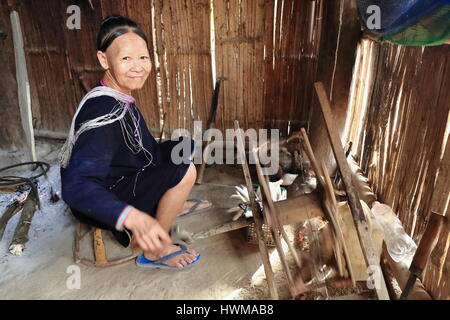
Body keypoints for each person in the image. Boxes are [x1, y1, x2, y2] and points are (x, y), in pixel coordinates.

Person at [60, 15, 210, 269]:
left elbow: (138, 145)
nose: (138, 66)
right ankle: (154, 249)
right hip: (102, 197)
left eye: (143, 57)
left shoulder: (117, 94)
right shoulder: (104, 112)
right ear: (104, 59)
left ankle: (169, 204)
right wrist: (133, 217)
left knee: (184, 147)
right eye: (126, 58)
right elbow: (76, 187)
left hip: (119, 173)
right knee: (185, 170)